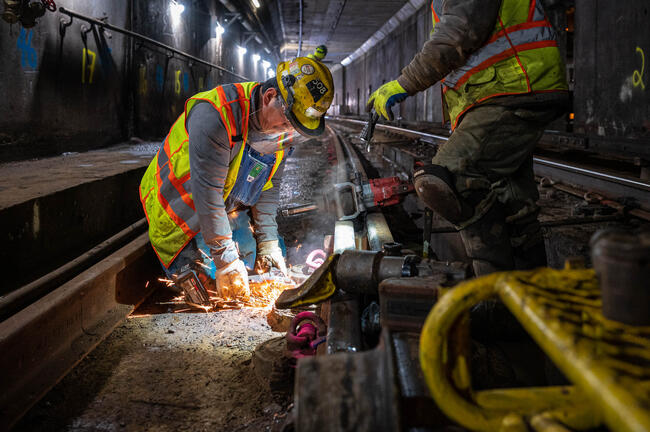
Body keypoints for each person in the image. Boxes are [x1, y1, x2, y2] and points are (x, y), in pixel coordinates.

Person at [367, 0, 568, 276]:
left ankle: (491, 292)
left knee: (450, 177)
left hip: (510, 86)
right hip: (512, 86)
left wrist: (403, 83)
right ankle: (533, 297)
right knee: (513, 206)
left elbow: (457, 34)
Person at [140, 57, 334, 299]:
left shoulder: (280, 131)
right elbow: (208, 195)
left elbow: (268, 187)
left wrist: (268, 242)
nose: (288, 130)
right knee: (213, 288)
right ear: (269, 97)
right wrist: (225, 259)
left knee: (260, 269)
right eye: (287, 122)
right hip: (179, 212)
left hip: (223, 205)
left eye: (295, 126)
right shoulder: (216, 116)